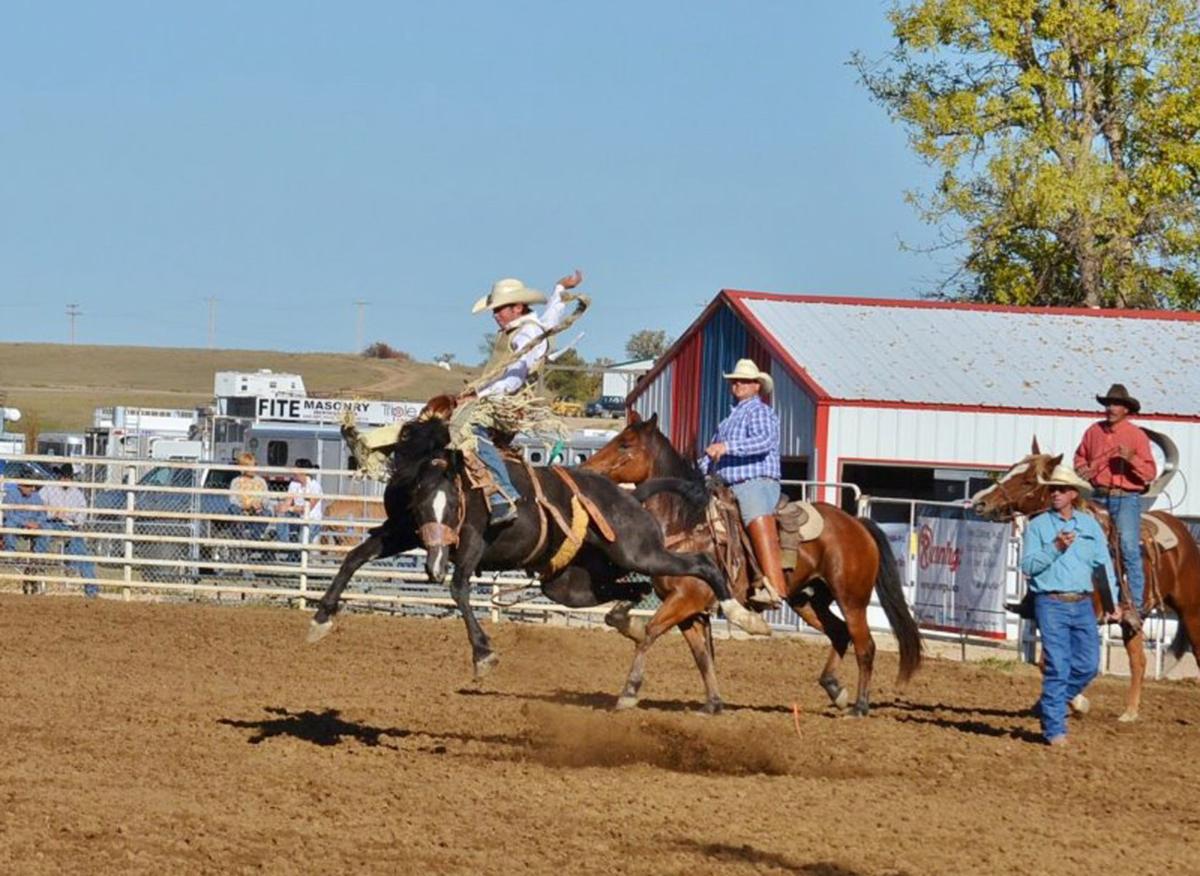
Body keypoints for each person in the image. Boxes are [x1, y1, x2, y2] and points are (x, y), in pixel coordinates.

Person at [455, 270, 581, 525]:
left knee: (468, 427)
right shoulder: (527, 328)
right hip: (499, 398)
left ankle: (504, 494)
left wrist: (479, 395)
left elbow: (516, 376)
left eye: (500, 309)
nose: (495, 315)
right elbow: (550, 318)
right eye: (495, 309)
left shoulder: (525, 334)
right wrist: (558, 289)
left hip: (506, 402)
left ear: (518, 308)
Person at [1019, 465, 1118, 746]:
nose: (1056, 494)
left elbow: (1103, 565)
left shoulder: (1089, 526)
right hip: (1051, 603)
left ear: (1074, 494)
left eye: (1061, 489)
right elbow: (1027, 566)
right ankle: (1054, 729)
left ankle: (1051, 703)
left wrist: (1112, 603)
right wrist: (1055, 548)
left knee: (1088, 665)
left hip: (1083, 603)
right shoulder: (1038, 526)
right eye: (1052, 489)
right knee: (1059, 665)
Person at [697, 358, 788, 609]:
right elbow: (711, 456)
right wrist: (696, 469)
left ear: (757, 386)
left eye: (744, 381)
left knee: (754, 516)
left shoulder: (760, 412)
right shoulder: (727, 420)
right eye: (735, 381)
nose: (738, 384)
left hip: (755, 482)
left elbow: (764, 441)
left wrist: (727, 447)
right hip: (724, 484)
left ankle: (773, 587)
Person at [1073, 383, 1156, 626]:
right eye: (1108, 403)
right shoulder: (1093, 432)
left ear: (1126, 409)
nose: (1110, 408)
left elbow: (1150, 473)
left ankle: (1135, 605)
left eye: (1116, 404)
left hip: (1126, 497)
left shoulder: (1136, 436)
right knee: (1080, 543)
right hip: (1098, 495)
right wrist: (1082, 469)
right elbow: (1080, 456)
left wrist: (1131, 459)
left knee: (1128, 548)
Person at [40, 464, 99, 597]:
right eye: (64, 477)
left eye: (68, 477)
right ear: (59, 476)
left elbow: (82, 511)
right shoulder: (48, 489)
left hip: (69, 525)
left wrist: (77, 522)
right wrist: (53, 513)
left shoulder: (76, 493)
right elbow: (39, 506)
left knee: (82, 552)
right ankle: (37, 571)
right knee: (43, 538)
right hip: (50, 522)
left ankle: (91, 590)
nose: (66, 479)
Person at [278, 460, 324, 550]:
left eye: (296, 468)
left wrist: (289, 508)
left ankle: (296, 555)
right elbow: (287, 502)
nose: (293, 471)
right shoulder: (293, 484)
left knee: (302, 540)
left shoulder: (315, 486)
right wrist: (281, 507)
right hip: (297, 517)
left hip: (312, 520)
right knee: (281, 516)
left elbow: (307, 509)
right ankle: (286, 546)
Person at [228, 452, 271, 541]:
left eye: (254, 465)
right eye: (250, 466)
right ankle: (240, 537)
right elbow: (233, 500)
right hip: (241, 510)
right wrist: (246, 506)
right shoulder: (236, 482)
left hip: (257, 511)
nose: (254, 469)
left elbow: (266, 499)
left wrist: (260, 504)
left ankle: (254, 538)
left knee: (267, 513)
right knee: (232, 508)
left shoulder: (261, 481)